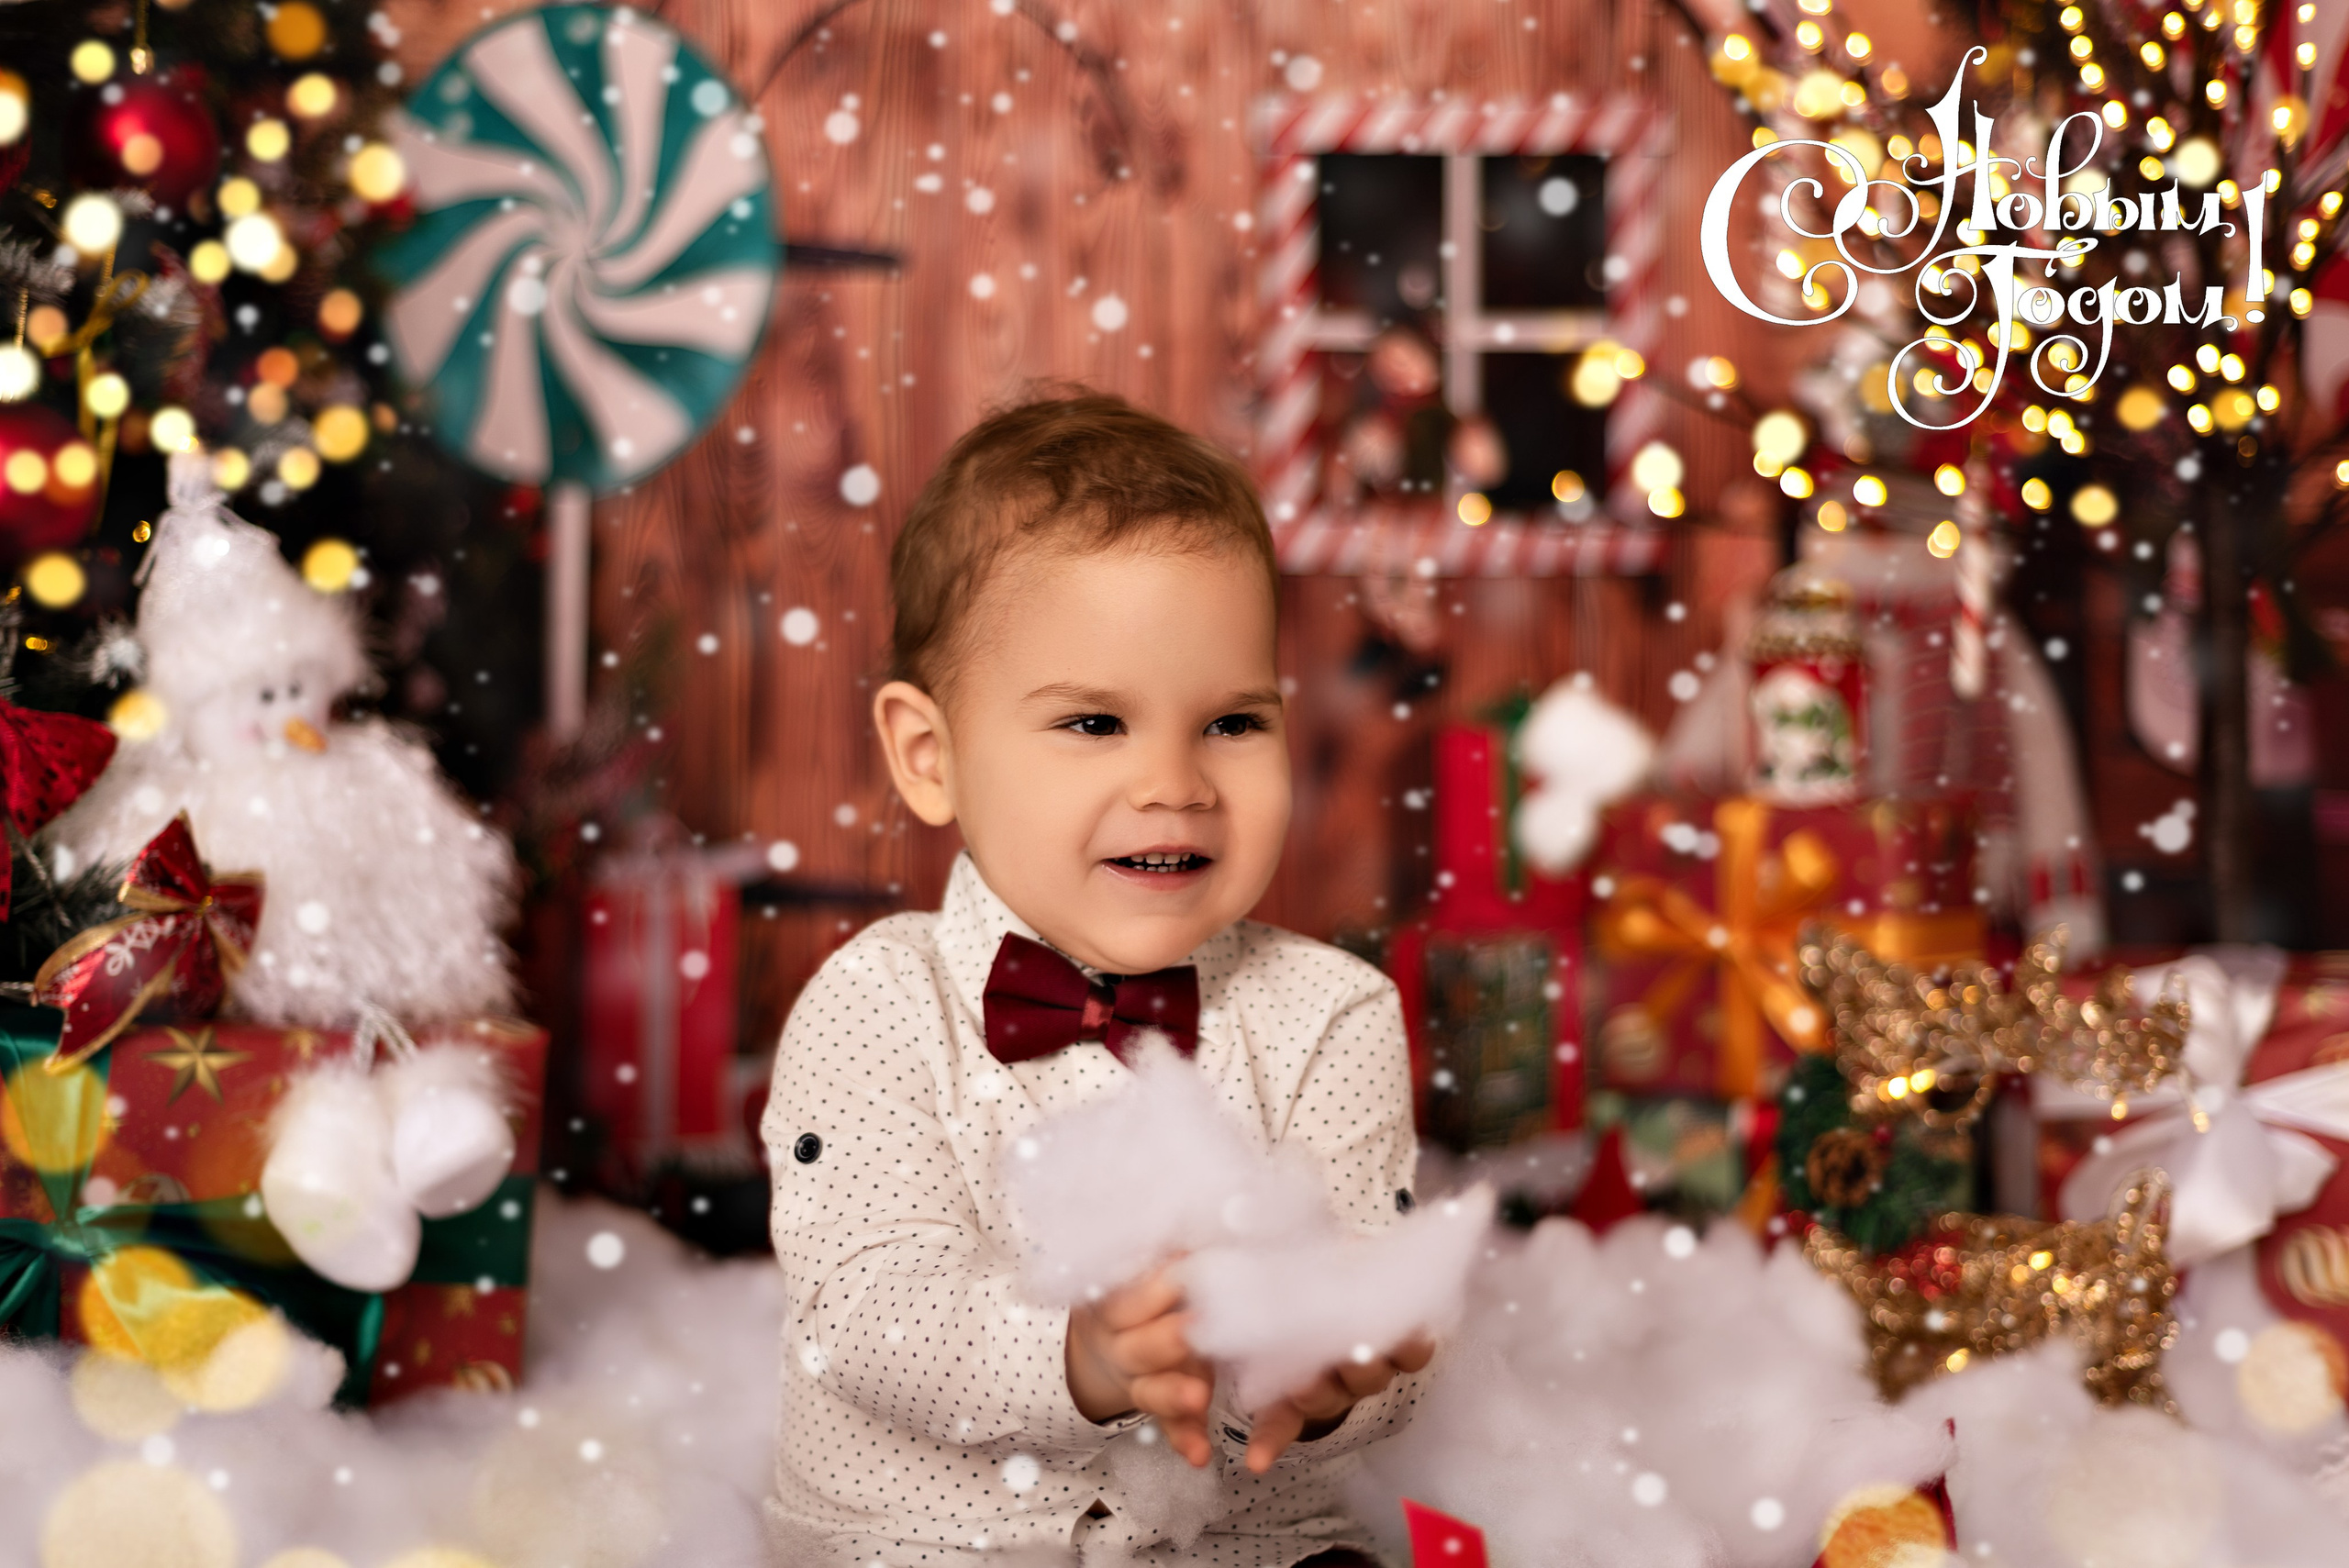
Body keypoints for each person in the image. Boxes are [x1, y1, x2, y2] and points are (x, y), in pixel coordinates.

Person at [762, 393, 1431, 1566]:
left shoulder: (1331, 1012)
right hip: (931, 1541)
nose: (1175, 781)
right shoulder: (875, 1002)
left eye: (1230, 721)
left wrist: (1323, 1379)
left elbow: (1381, 1316)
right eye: (1092, 722)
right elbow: (859, 1312)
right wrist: (1080, 1356)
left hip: (1249, 1542)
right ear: (933, 755)